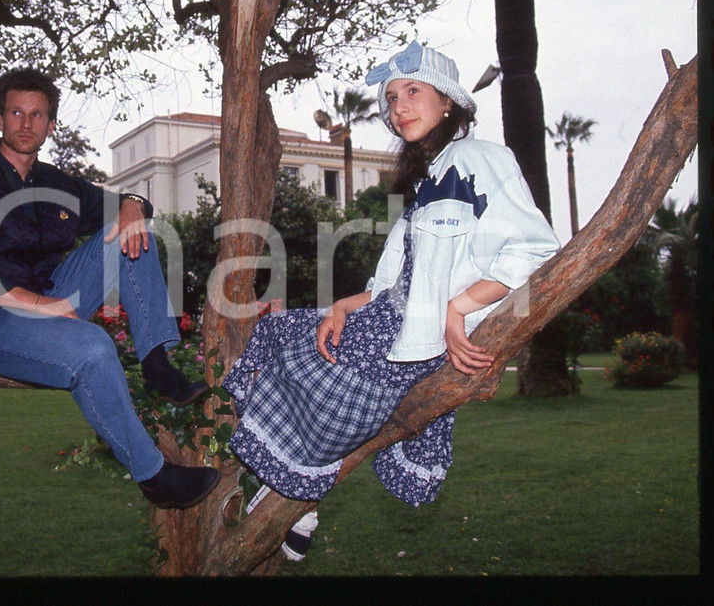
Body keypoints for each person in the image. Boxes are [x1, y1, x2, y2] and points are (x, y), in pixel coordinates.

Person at [224, 41, 559, 527]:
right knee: (277, 333)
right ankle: (294, 493)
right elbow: (397, 284)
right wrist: (342, 305)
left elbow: (534, 249)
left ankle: (295, 491)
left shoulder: (479, 157)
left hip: (413, 337)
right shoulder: (430, 181)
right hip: (395, 319)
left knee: (315, 365)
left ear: (448, 102)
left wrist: (457, 308)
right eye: (392, 99)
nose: (399, 106)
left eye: (412, 91)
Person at [0, 67, 218, 509]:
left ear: (50, 125)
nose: (25, 123)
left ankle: (157, 365)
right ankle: (155, 477)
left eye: (37, 115)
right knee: (93, 347)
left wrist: (133, 205)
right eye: (16, 112)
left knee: (132, 233)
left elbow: (121, 206)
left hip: (46, 297)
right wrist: (40, 306)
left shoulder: (54, 183)